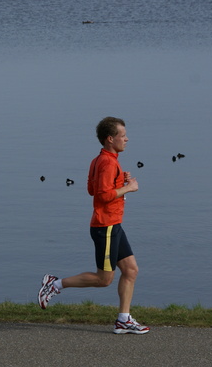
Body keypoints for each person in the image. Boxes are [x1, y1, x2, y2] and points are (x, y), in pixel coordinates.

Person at [37, 116, 149, 334]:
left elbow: (92, 189)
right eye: (122, 135)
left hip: (113, 225)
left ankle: (123, 320)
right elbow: (102, 195)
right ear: (110, 139)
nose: (127, 139)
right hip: (105, 227)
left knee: (131, 270)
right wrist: (129, 188)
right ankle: (54, 284)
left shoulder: (101, 159)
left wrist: (120, 183)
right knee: (104, 279)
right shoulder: (107, 162)